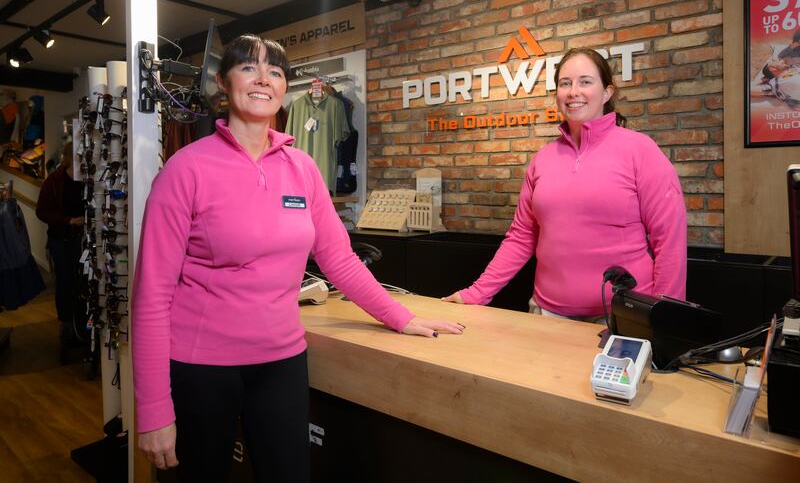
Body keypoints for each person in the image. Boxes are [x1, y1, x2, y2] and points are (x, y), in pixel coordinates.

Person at [132, 34, 464, 482]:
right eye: (249, 67)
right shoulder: (185, 170)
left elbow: (340, 260)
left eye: (275, 71)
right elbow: (151, 296)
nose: (263, 79)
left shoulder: (302, 167)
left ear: (285, 88)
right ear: (223, 82)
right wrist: (153, 410)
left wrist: (400, 317)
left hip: (281, 362)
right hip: (202, 368)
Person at [443, 48, 687, 322]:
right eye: (565, 83)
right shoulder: (543, 160)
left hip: (622, 316)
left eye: (585, 81)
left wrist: (665, 316)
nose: (574, 92)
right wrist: (476, 293)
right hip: (546, 313)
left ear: (607, 93)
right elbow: (521, 237)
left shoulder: (641, 151)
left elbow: (670, 241)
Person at [35, 141, 84, 361]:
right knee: (65, 284)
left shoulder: (89, 179)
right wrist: (69, 220)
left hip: (83, 241)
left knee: (83, 284)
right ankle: (66, 330)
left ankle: (82, 330)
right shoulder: (55, 181)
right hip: (62, 240)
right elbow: (42, 211)